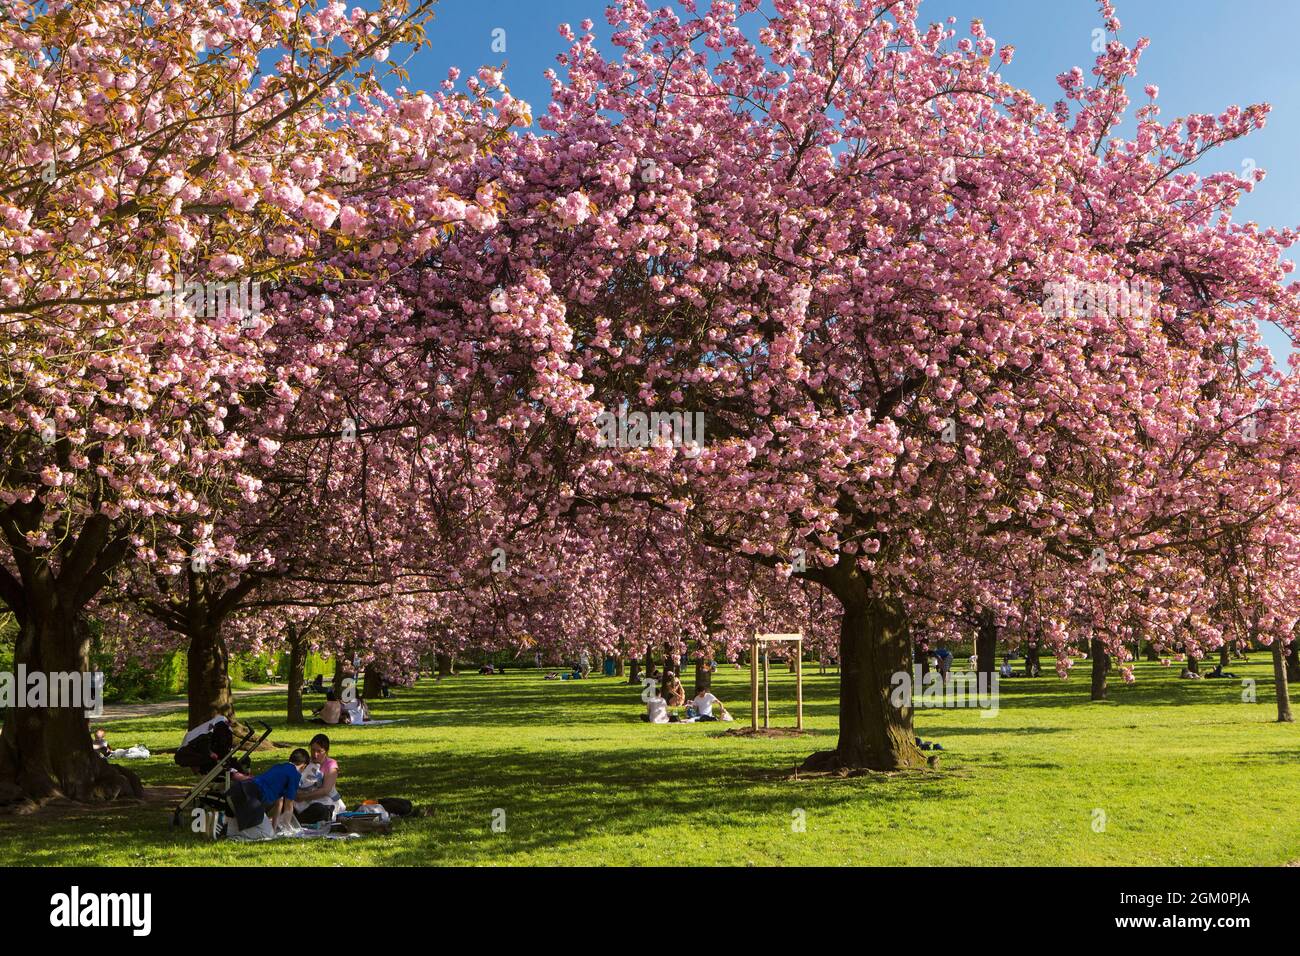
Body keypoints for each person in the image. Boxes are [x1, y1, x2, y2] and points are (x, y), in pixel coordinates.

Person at [294, 734, 344, 825]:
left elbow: (325, 790)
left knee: (320, 810)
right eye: (313, 750)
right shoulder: (306, 762)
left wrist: (303, 797)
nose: (315, 754)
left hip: (322, 802)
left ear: (326, 751)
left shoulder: (331, 765)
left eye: (319, 751)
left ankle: (295, 820)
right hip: (301, 801)